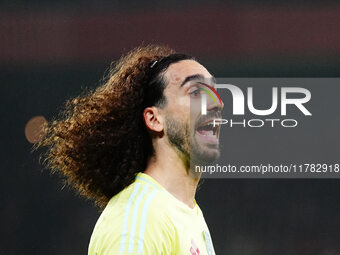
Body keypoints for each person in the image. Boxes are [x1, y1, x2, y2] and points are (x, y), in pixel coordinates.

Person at [37, 45, 223, 254]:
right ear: (154, 119)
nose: (217, 103)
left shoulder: (186, 213)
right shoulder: (139, 218)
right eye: (196, 92)